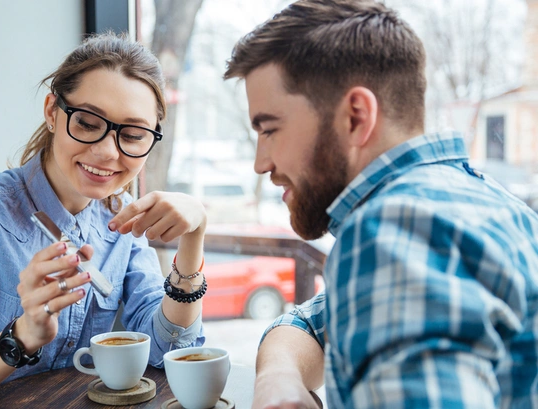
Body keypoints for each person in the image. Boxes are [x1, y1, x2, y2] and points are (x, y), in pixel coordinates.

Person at [224, 1, 538, 408]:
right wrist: (279, 377)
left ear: (355, 117)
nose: (260, 163)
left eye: (269, 130)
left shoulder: (394, 231)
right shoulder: (493, 208)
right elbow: (314, 321)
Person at [0, 33, 208, 408]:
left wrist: (194, 239)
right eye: (87, 123)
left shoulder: (122, 222)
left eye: (131, 134)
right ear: (52, 112)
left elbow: (167, 349)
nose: (108, 152)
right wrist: (22, 335)